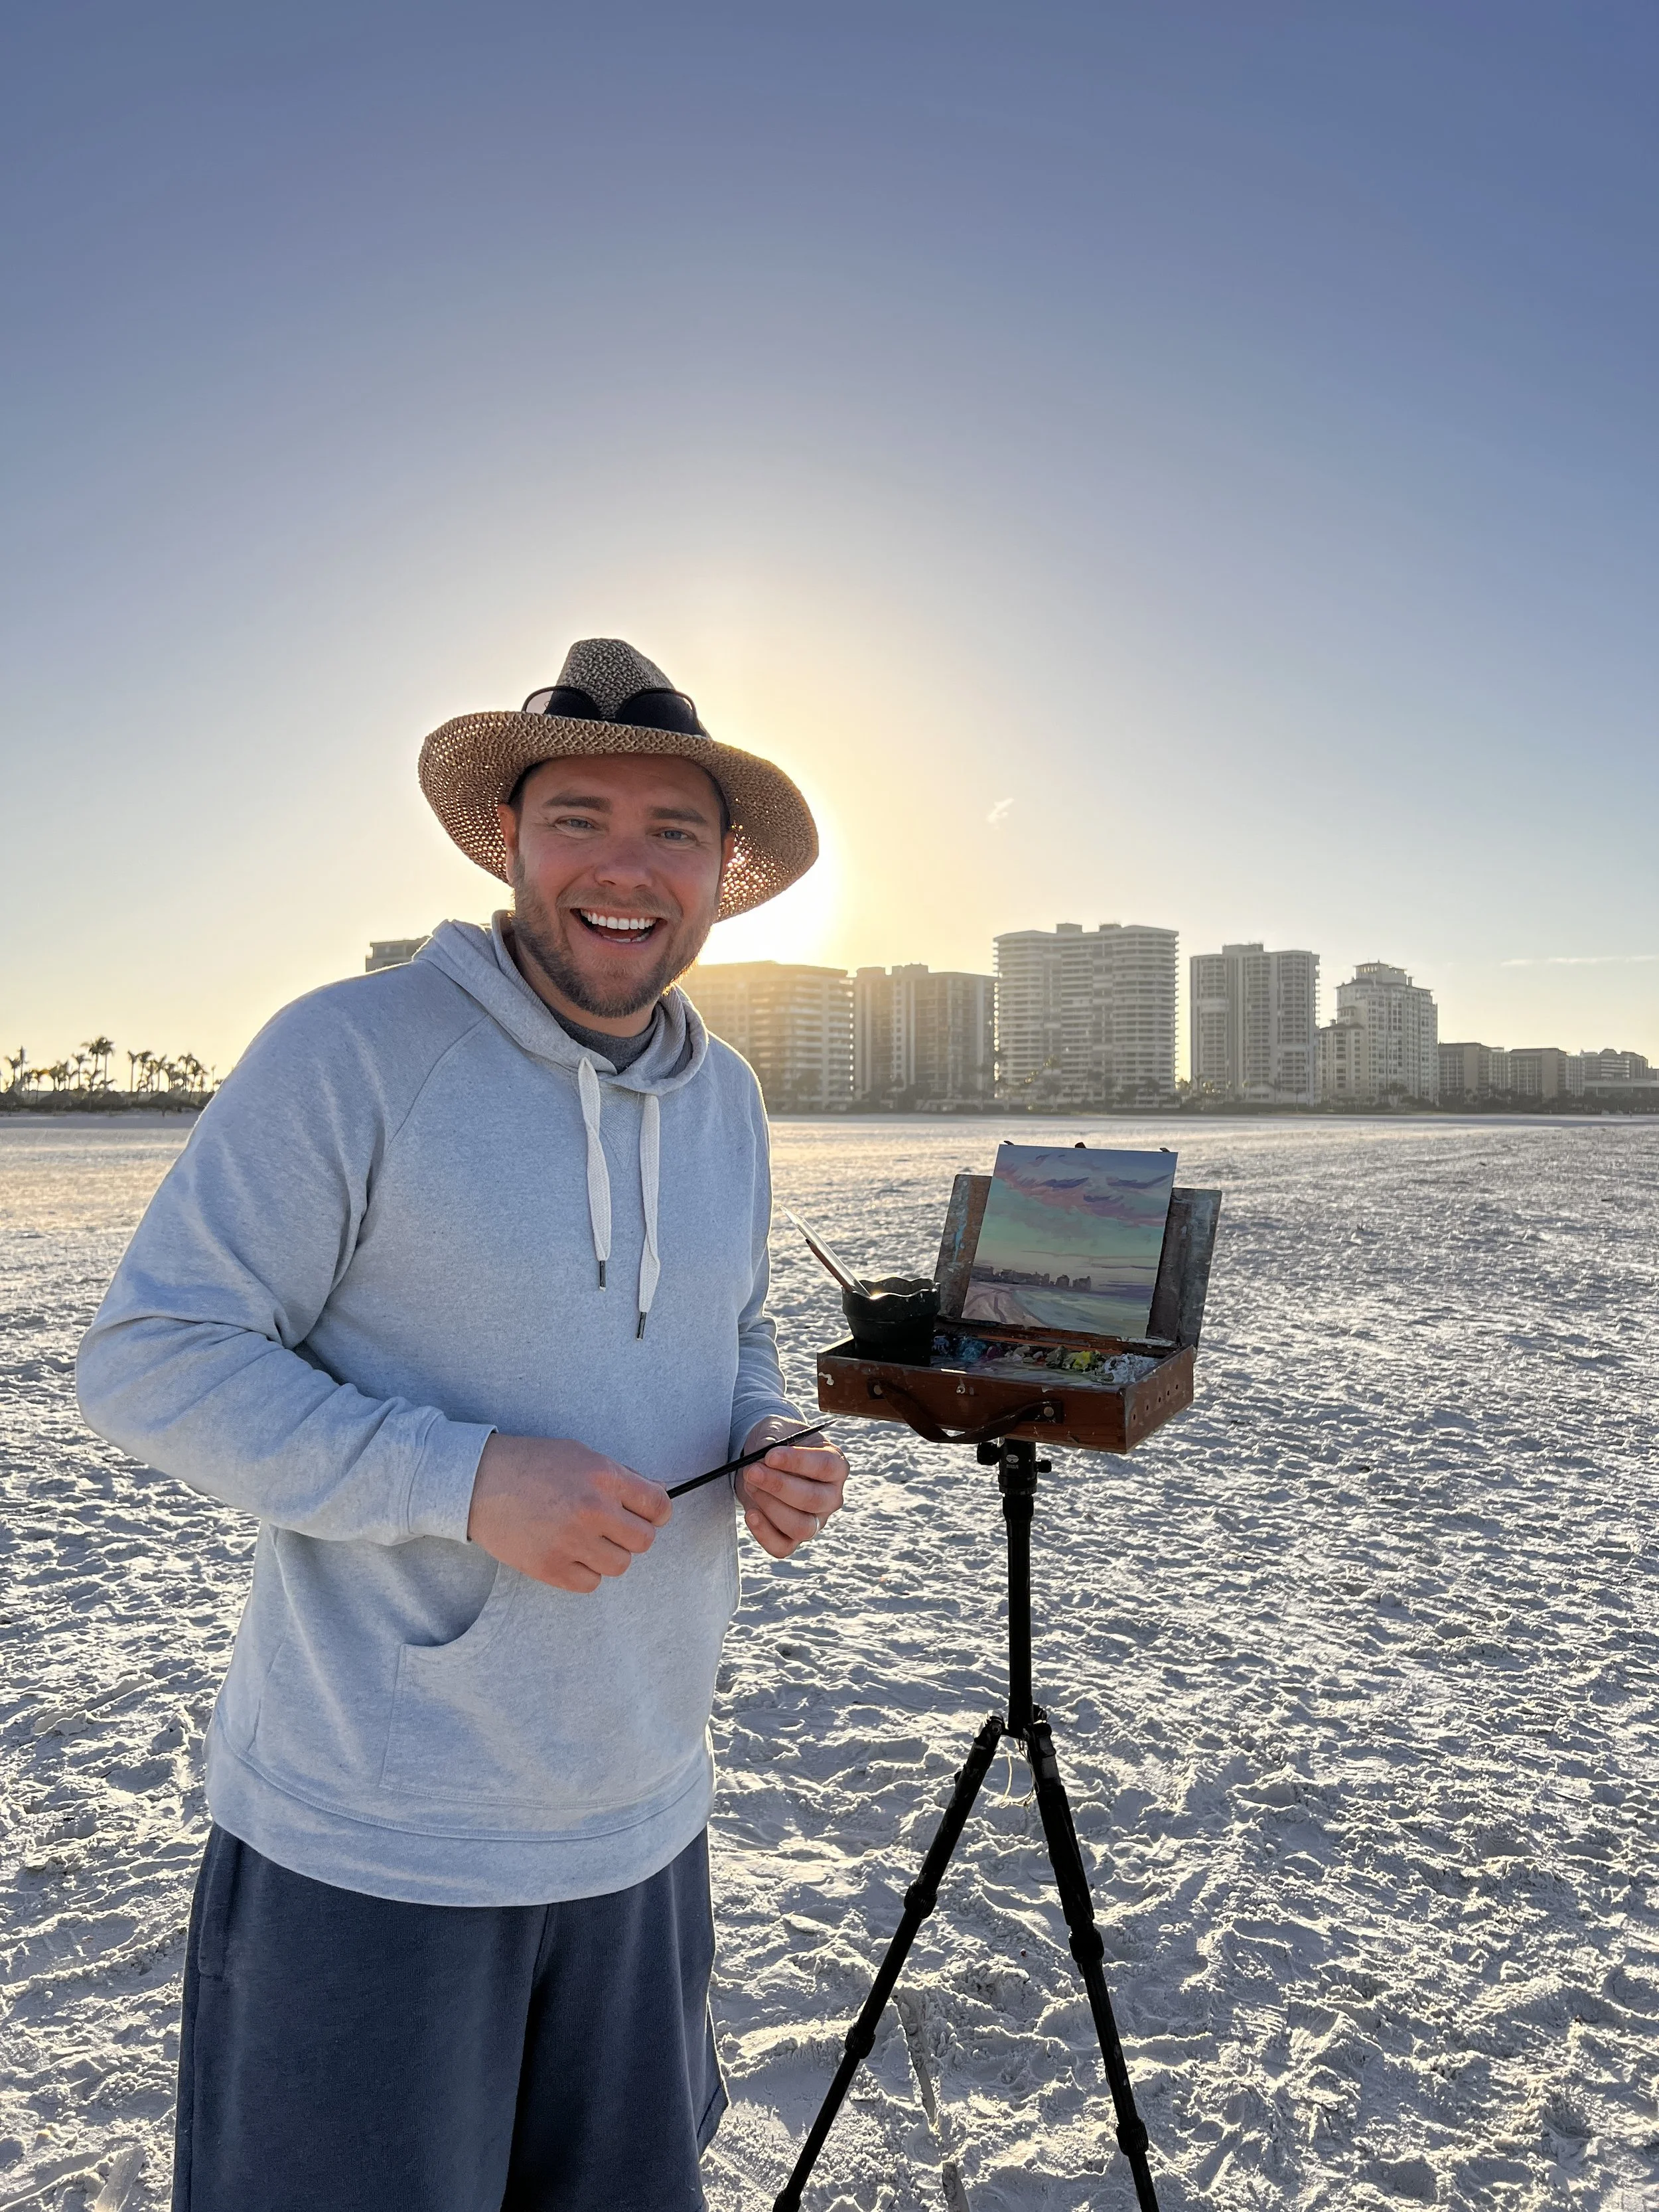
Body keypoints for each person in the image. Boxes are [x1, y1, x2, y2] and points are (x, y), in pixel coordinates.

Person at [76, 636, 850, 2212]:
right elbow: (152, 1358)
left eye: (672, 835)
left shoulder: (729, 1101)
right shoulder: (350, 1050)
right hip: (378, 1829)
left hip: (642, 1808)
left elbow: (734, 1329)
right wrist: (467, 1479)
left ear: (720, 877)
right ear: (510, 841)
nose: (624, 869)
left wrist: (763, 1434)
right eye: (579, 819)